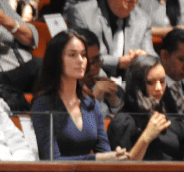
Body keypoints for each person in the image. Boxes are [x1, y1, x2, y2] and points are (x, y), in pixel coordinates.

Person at [27, 31, 127, 160]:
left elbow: (103, 151)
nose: (81, 61)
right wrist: (97, 159)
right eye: (72, 55)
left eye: (83, 55)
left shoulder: (91, 103)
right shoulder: (43, 104)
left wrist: (115, 155)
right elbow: (52, 160)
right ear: (56, 59)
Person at [63, 0, 154, 79]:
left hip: (131, 82)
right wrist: (119, 62)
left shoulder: (143, 19)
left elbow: (152, 56)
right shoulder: (82, 14)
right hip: (94, 80)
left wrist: (142, 57)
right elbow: (83, 56)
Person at [105, 55, 184, 161]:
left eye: (162, 81)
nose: (159, 88)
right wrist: (146, 137)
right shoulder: (123, 122)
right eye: (150, 83)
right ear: (137, 85)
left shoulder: (171, 117)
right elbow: (122, 170)